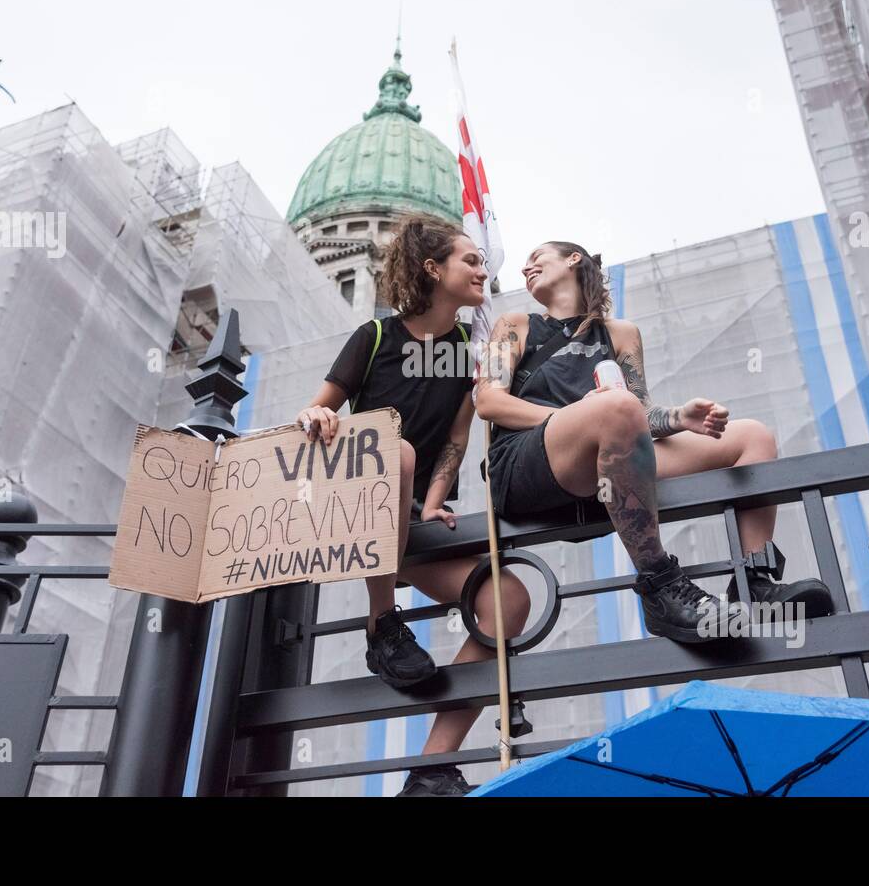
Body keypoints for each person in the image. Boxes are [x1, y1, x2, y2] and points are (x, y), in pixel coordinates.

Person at [477, 241, 834, 644]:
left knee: (752, 436)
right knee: (615, 408)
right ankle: (661, 584)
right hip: (527, 466)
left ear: (573, 259)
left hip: (607, 465)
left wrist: (680, 418)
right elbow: (488, 400)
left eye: (537, 256)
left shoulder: (623, 334)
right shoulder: (515, 324)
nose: (527, 266)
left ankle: (755, 581)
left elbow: (639, 413)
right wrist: (576, 418)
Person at [296, 214, 531, 796]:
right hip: (351, 508)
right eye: (471, 261)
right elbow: (314, 411)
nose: (484, 269)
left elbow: (455, 437)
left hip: (407, 525)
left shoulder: (461, 352)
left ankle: (431, 769)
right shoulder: (375, 337)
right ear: (433, 269)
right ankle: (383, 624)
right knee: (393, 447)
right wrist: (319, 415)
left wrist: (431, 503)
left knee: (508, 600)